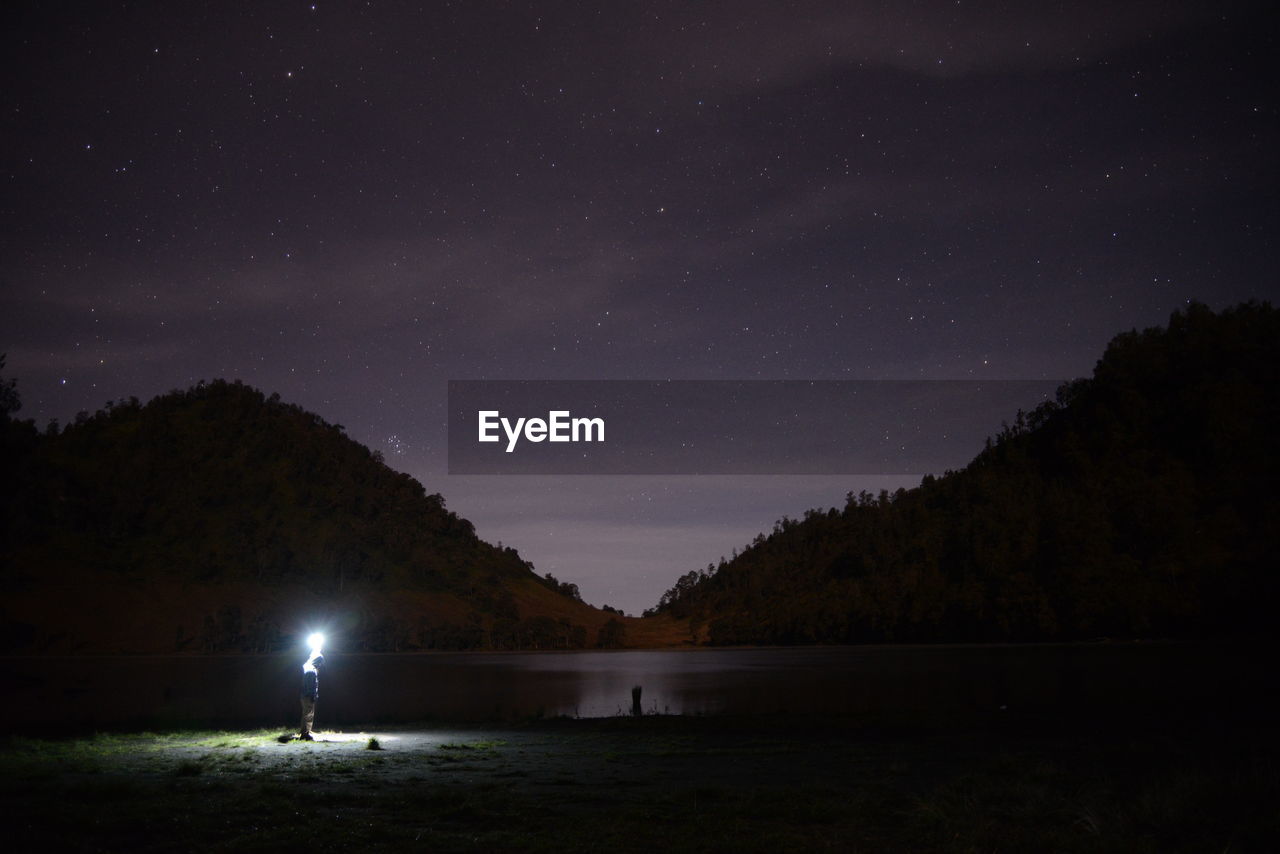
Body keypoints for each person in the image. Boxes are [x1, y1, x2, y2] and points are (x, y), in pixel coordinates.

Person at [299, 652, 324, 740]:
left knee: (307, 713)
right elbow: (310, 685)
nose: (320, 665)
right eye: (320, 662)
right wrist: (312, 696)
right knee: (308, 714)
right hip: (308, 695)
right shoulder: (311, 671)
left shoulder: (308, 666)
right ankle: (305, 734)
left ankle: (306, 731)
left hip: (305, 695)